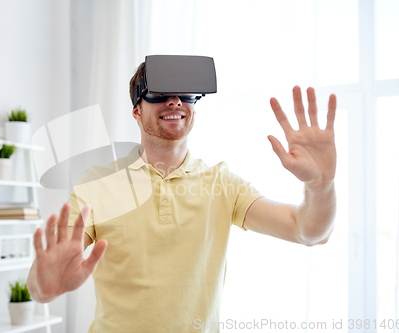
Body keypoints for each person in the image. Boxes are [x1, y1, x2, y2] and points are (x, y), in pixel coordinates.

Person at [27, 60, 337, 333]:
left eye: (186, 94)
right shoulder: (97, 183)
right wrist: (45, 287)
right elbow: (44, 280)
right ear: (137, 109)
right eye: (159, 93)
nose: (174, 101)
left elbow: (307, 231)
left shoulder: (222, 183)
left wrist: (321, 185)